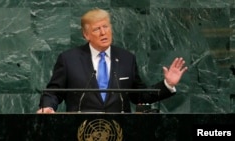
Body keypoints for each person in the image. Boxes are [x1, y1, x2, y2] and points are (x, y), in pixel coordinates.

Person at [37, 8, 187, 113]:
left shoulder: (127, 58)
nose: (103, 32)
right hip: (81, 131)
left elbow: (139, 95)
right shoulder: (69, 59)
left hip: (120, 131)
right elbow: (53, 93)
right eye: (97, 29)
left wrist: (168, 84)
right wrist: (48, 107)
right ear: (86, 34)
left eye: (106, 27)